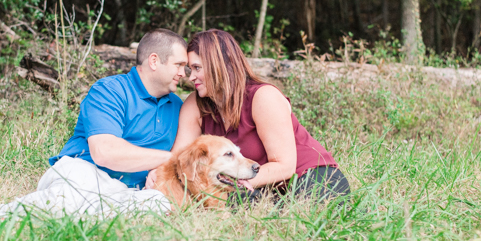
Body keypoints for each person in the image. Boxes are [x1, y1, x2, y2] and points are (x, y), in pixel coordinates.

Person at [149, 29, 350, 201]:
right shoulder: (195, 104)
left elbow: (285, 166)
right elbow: (180, 158)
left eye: (197, 68)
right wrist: (159, 173)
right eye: (189, 69)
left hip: (310, 178)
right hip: (258, 187)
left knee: (260, 210)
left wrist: (234, 183)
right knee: (232, 203)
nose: (190, 77)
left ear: (219, 66)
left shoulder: (263, 97)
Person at [48, 28, 188, 188]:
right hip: (85, 175)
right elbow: (105, 153)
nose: (183, 73)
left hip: (134, 191)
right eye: (178, 65)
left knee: (161, 204)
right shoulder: (109, 91)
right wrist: (171, 160)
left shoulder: (178, 107)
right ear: (154, 61)